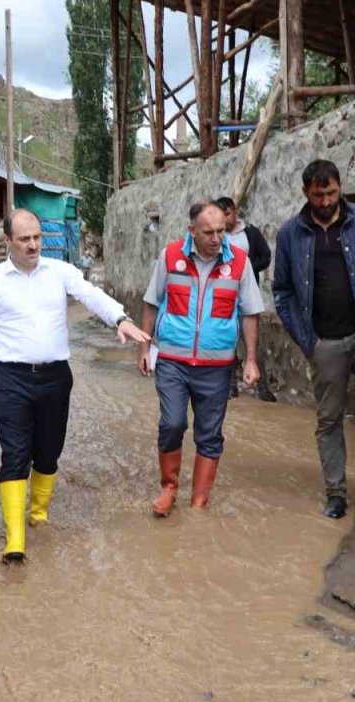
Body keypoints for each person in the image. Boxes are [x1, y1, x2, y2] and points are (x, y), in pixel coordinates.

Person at [0, 209, 150, 563]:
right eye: (24, 239)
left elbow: (91, 295)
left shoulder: (60, 272)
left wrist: (121, 318)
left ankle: (38, 514)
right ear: (8, 241)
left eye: (37, 237)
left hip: (55, 378)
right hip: (12, 379)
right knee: (15, 454)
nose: (33, 245)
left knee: (48, 452)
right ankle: (15, 539)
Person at [272, 160, 355, 519]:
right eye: (318, 195)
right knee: (328, 419)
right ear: (306, 194)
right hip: (323, 341)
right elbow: (282, 292)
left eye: (331, 192)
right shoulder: (290, 235)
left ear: (340, 186)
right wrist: (305, 339)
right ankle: (336, 493)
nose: (326, 201)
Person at [137, 201, 264, 516]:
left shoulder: (239, 263)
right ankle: (168, 488)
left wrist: (250, 359)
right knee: (172, 423)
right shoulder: (170, 256)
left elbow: (250, 314)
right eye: (208, 232)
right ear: (192, 230)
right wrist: (144, 349)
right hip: (172, 361)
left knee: (209, 434)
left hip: (217, 367)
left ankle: (198, 503)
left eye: (222, 230)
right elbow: (151, 303)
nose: (217, 238)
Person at [215, 196, 275, 402]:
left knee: (253, 343)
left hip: (247, 296)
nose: (225, 219)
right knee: (227, 341)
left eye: (228, 214)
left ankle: (262, 387)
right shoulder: (217, 236)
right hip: (223, 299)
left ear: (235, 212)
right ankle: (230, 386)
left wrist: (246, 268)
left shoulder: (250, 233)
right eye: (222, 215)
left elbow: (265, 257)